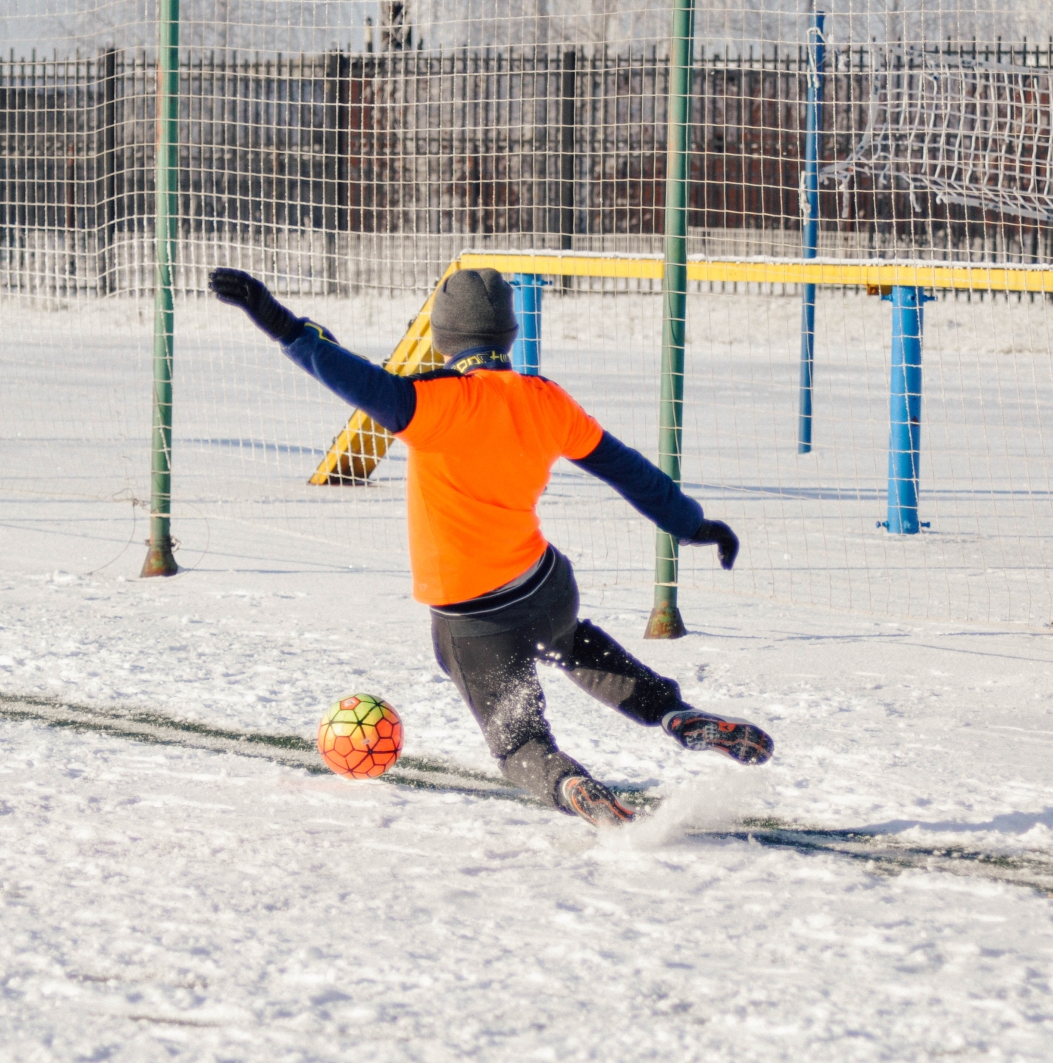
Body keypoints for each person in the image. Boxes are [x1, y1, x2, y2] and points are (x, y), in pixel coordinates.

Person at [210, 266, 773, 827]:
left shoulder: (430, 403)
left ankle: (571, 784)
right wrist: (693, 525)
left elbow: (346, 373)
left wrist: (279, 321)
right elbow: (630, 471)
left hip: (475, 619)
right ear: (510, 334)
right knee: (573, 643)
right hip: (548, 585)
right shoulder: (547, 400)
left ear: (440, 337)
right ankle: (672, 713)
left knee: (518, 743)